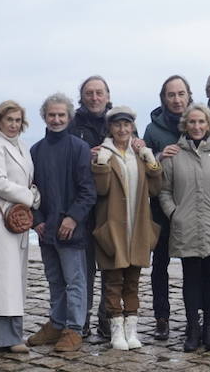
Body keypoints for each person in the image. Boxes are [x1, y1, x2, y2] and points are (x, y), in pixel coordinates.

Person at [159, 103, 210, 352]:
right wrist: (175, 213)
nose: (196, 126)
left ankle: (209, 330)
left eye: (201, 122)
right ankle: (192, 328)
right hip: (187, 227)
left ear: (208, 124)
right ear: (185, 125)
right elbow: (164, 190)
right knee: (190, 280)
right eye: (192, 122)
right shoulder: (175, 154)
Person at [27, 93, 97, 354]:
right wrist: (37, 221)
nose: (56, 119)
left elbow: (88, 191)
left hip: (72, 229)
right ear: (44, 117)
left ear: (69, 118)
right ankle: (56, 323)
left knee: (75, 280)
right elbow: (31, 190)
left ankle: (74, 328)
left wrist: (72, 218)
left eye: (61, 115)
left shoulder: (79, 148)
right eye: (51, 115)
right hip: (47, 230)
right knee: (55, 280)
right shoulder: (35, 150)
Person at [91, 105, 162, 351]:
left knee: (133, 282)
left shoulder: (138, 154)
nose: (122, 129)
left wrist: (151, 160)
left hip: (138, 228)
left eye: (126, 124)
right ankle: (116, 331)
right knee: (112, 283)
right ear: (110, 128)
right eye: (117, 125)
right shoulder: (104, 153)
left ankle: (131, 330)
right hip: (113, 228)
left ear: (132, 127)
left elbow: (155, 189)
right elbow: (100, 190)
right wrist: (100, 164)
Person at [0, 100, 40, 354]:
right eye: (9, 120)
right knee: (4, 279)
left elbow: (27, 178)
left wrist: (34, 194)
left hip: (18, 217)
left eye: (17, 120)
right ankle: (7, 336)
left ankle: (4, 334)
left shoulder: (22, 146)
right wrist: (28, 196)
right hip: (2, 216)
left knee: (14, 278)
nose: (14, 124)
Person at [141, 74, 192, 339]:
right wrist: (160, 157)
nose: (176, 99)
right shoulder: (153, 129)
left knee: (193, 266)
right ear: (164, 98)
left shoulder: (198, 122)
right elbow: (145, 167)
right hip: (161, 207)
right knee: (160, 264)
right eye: (171, 95)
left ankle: (196, 317)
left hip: (193, 207)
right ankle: (162, 318)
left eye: (181, 93)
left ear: (188, 96)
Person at [69, 74, 112, 340]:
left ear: (108, 96)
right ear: (82, 97)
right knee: (83, 270)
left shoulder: (120, 121)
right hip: (83, 206)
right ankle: (80, 320)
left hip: (111, 207)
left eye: (99, 93)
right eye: (89, 94)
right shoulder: (73, 124)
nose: (95, 98)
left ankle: (107, 319)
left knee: (110, 267)